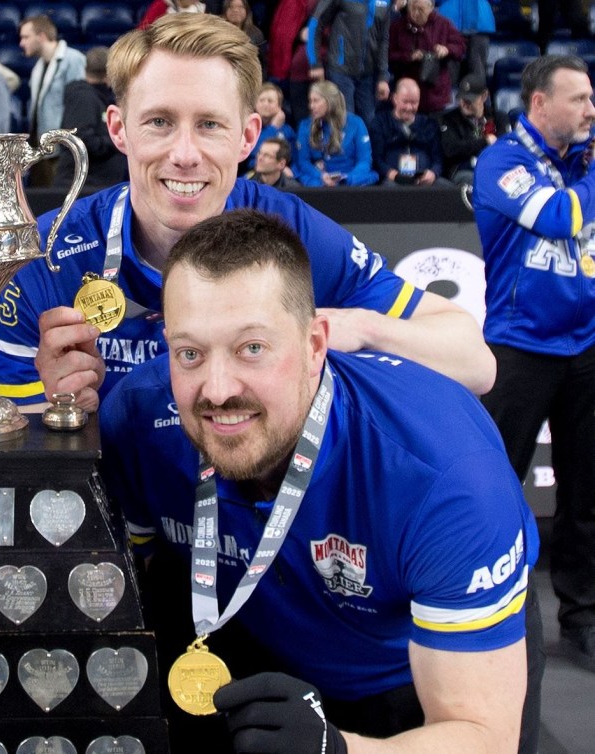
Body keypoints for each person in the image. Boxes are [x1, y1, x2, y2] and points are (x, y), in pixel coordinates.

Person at [100, 209, 540, 754]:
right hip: (263, 648)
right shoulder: (139, 419)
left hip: (409, 675)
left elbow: (482, 735)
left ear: (315, 347)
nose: (215, 389)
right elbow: (145, 582)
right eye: (190, 353)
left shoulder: (445, 477)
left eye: (251, 348)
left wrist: (340, 749)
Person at [0, 14, 492, 413]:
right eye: (159, 122)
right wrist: (54, 411)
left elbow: (475, 362)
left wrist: (357, 328)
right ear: (118, 129)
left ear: (248, 137)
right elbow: (22, 463)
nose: (185, 154)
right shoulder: (48, 256)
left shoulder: (294, 235)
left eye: (209, 125)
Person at [472, 54, 595, 676]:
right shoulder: (502, 163)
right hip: (520, 347)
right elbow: (559, 218)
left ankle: (583, 617)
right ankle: (486, 611)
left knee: (586, 493)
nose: (591, 111)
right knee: (495, 483)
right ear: (539, 104)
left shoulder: (581, 164)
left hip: (586, 345)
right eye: (578, 100)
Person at [20, 14, 85, 186]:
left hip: (62, 151)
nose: (21, 43)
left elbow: (79, 105)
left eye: (26, 37)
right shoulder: (38, 67)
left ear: (41, 36)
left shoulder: (73, 59)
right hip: (41, 150)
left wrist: (68, 147)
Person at [307, 0, 392, 123]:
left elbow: (383, 39)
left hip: (368, 75)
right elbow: (316, 23)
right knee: (344, 121)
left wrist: (383, 76)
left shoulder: (385, 2)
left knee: (369, 122)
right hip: (340, 71)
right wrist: (315, 63)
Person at [54, 45, 125, 190]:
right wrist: (119, 140)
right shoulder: (83, 97)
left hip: (95, 184)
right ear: (110, 73)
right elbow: (82, 139)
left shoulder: (100, 97)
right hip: (82, 187)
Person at [388, 0, 466, 115]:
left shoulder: (444, 24)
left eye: (420, 9)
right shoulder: (397, 27)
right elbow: (388, 55)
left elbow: (461, 47)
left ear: (431, 8)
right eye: (412, 9)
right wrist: (409, 56)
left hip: (436, 93)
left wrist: (447, 49)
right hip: (408, 91)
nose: (415, 13)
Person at [292, 80, 377, 186]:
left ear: (330, 101)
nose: (311, 106)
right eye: (310, 101)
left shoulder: (356, 123)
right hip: (319, 179)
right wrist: (320, 176)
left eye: (316, 101)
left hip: (350, 178)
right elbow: (303, 162)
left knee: (368, 177)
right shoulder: (305, 125)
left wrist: (347, 178)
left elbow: (364, 160)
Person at [369, 77, 443, 185]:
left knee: (444, 187)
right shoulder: (380, 123)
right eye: (405, 102)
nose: (409, 107)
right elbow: (377, 159)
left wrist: (433, 173)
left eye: (414, 102)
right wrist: (393, 175)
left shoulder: (429, 124)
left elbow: (438, 159)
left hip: (424, 180)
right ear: (394, 98)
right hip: (393, 179)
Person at [437, 72, 505, 185]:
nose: (464, 104)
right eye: (461, 99)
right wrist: (485, 141)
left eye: (469, 100)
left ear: (484, 96)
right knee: (474, 179)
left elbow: (504, 145)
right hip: (464, 171)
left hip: (494, 168)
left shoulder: (498, 117)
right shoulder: (448, 119)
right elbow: (451, 149)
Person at [243, 82, 296, 171]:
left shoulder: (288, 131)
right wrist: (273, 128)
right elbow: (252, 153)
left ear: (279, 106)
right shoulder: (248, 127)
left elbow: (295, 159)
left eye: (270, 101)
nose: (265, 104)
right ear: (255, 104)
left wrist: (292, 173)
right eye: (262, 100)